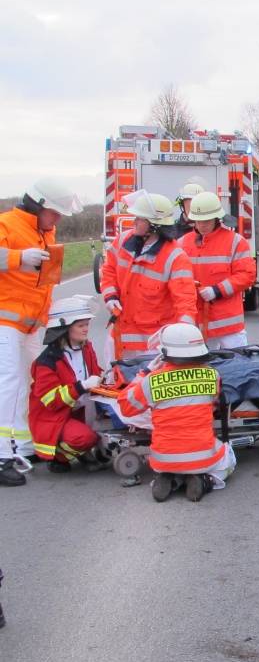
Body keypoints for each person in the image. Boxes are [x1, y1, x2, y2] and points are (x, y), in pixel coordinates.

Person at [0, 177, 84, 485]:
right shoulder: (6, 224)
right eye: (55, 213)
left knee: (32, 383)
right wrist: (18, 258)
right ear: (37, 205)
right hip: (5, 324)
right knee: (8, 383)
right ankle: (1, 456)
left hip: (32, 324)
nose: (58, 219)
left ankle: (22, 444)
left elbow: (43, 281)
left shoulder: (47, 231)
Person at [118, 322, 235, 501]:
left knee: (171, 454)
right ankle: (205, 480)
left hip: (162, 458)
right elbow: (214, 401)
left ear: (164, 353)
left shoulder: (152, 381)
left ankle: (171, 478)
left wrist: (145, 372)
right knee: (229, 455)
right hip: (203, 457)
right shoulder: (212, 375)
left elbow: (126, 407)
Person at [100, 190, 198, 358]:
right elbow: (109, 270)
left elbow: (185, 299)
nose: (134, 221)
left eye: (140, 218)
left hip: (152, 346)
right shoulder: (123, 240)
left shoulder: (175, 257)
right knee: (114, 382)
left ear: (154, 225)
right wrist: (110, 297)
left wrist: (184, 335)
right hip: (119, 337)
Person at [29, 296, 105, 472]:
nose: (86, 329)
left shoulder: (86, 347)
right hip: (55, 418)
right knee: (85, 438)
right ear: (64, 328)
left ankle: (84, 448)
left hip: (81, 409)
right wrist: (81, 386)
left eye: (87, 324)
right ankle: (58, 456)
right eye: (81, 325)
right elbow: (51, 401)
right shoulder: (47, 362)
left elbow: (95, 372)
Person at [179, 190, 256, 349]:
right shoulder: (182, 244)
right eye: (198, 221)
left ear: (216, 218)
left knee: (237, 369)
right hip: (197, 325)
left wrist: (217, 290)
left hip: (229, 327)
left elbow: (247, 275)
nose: (201, 225)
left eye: (206, 221)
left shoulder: (235, 242)